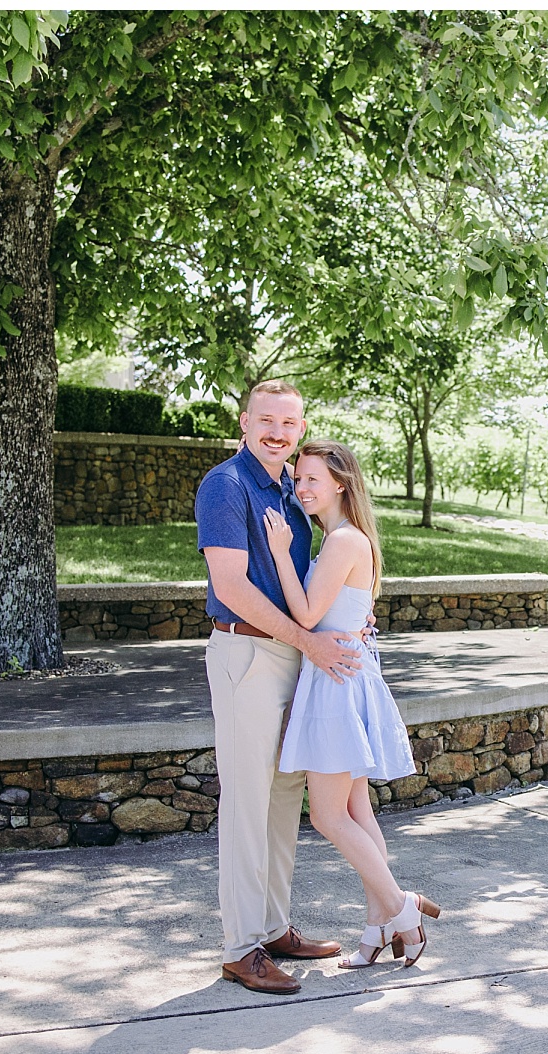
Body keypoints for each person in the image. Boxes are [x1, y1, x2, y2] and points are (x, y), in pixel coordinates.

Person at [195, 380, 360, 995]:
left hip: (294, 654)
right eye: (267, 420)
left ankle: (272, 927)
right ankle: (241, 948)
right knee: (244, 802)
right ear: (244, 423)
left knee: (285, 793)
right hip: (247, 652)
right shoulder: (226, 485)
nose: (278, 432)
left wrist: (345, 622)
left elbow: (314, 581)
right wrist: (308, 641)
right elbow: (233, 586)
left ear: (300, 428)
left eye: (289, 424)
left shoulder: (294, 494)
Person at [264, 439, 442, 969]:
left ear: (341, 482)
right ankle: (374, 932)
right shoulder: (345, 539)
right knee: (355, 810)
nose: (302, 488)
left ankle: (401, 906)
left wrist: (278, 553)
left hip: (337, 682)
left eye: (313, 479)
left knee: (325, 815)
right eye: (298, 479)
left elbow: (306, 615)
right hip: (342, 674)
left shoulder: (344, 541)